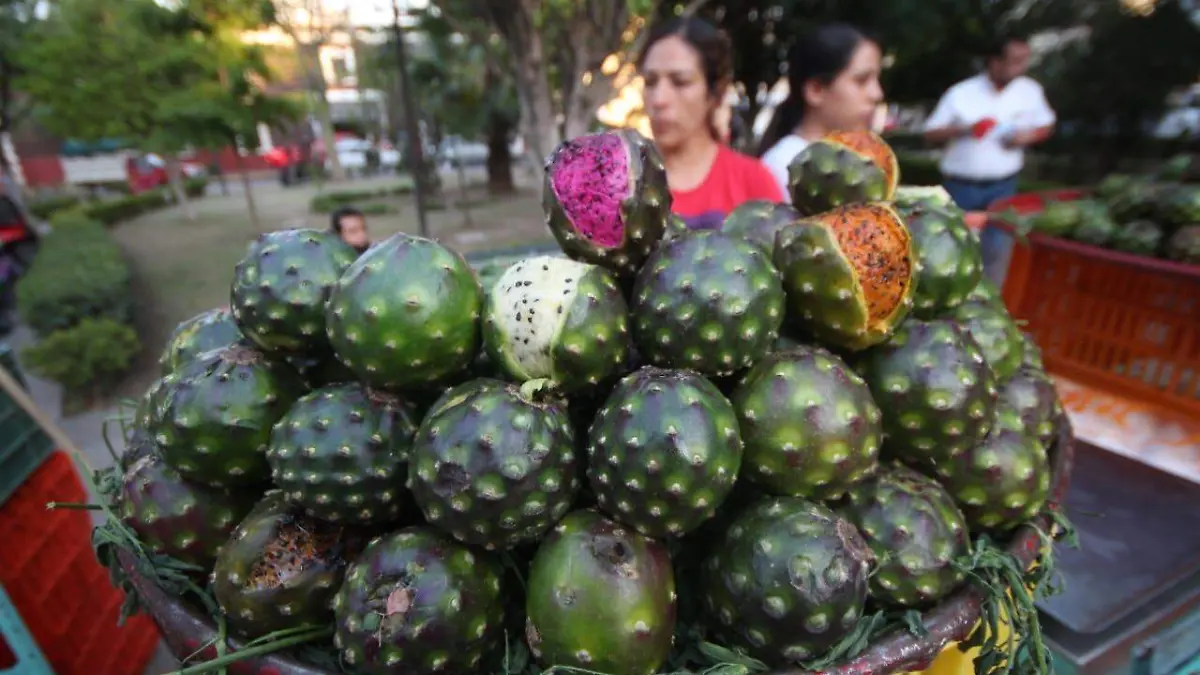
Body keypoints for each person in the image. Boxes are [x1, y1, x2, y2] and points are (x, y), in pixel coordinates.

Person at [923, 33, 1056, 282]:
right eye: (1014, 61)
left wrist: (1026, 137)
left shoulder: (1030, 91)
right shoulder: (961, 93)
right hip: (961, 187)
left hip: (1003, 186)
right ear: (995, 62)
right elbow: (931, 133)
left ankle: (987, 307)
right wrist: (966, 129)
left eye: (1024, 61)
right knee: (951, 249)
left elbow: (1046, 125)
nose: (1020, 68)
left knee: (997, 251)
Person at [638, 17, 784, 231]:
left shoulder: (753, 183)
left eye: (680, 82)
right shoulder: (625, 186)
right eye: (650, 82)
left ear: (716, 92)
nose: (659, 99)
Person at [759, 24, 886, 200]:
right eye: (861, 80)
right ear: (816, 91)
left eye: (877, 79)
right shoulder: (781, 167)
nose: (877, 94)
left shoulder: (859, 162)